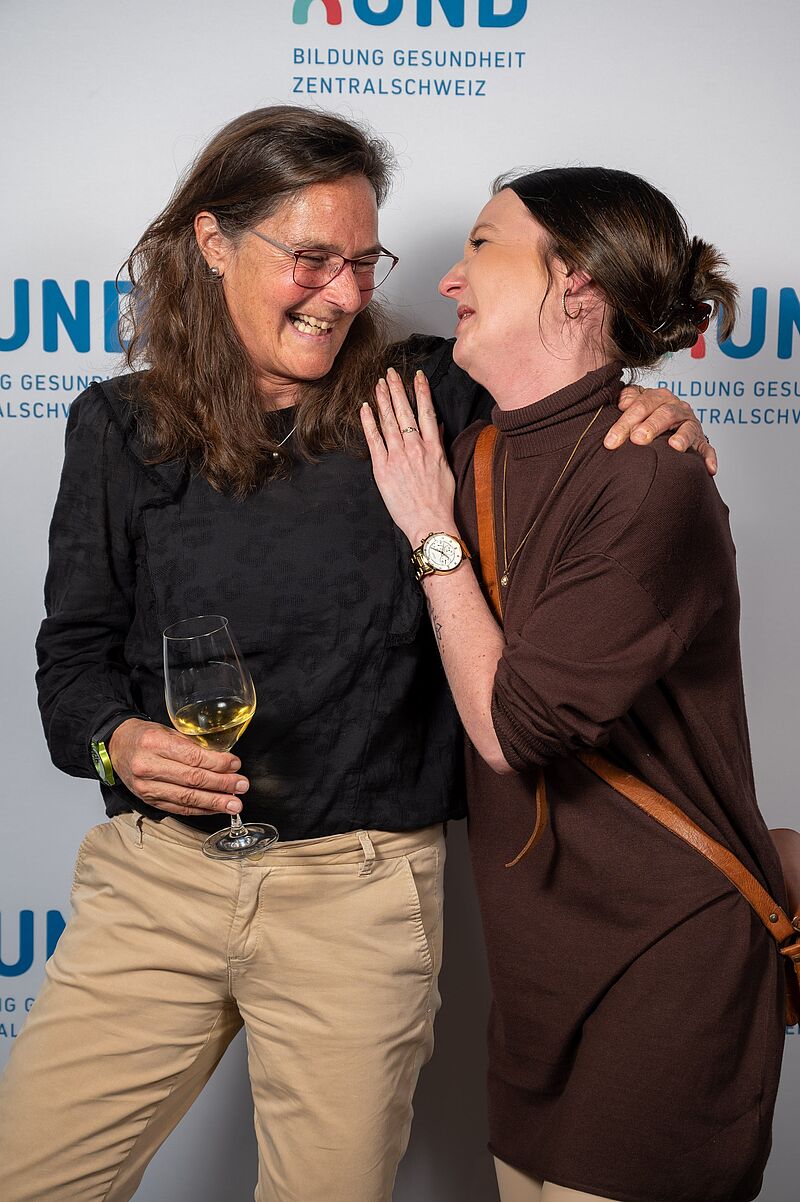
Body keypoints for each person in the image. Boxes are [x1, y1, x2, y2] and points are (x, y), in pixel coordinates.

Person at [0, 108, 712, 1202]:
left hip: (360, 895)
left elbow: (566, 399)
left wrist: (650, 408)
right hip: (158, 882)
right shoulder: (116, 426)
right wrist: (116, 741)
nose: (340, 294)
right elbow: (72, 662)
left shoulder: (429, 391)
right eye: (310, 259)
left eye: (363, 263)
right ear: (213, 241)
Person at [361, 167, 785, 1202]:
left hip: (665, 965)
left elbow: (513, 731)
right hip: (540, 970)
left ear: (578, 280)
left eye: (482, 245)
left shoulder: (646, 472)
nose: (448, 279)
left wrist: (429, 533)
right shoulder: (473, 446)